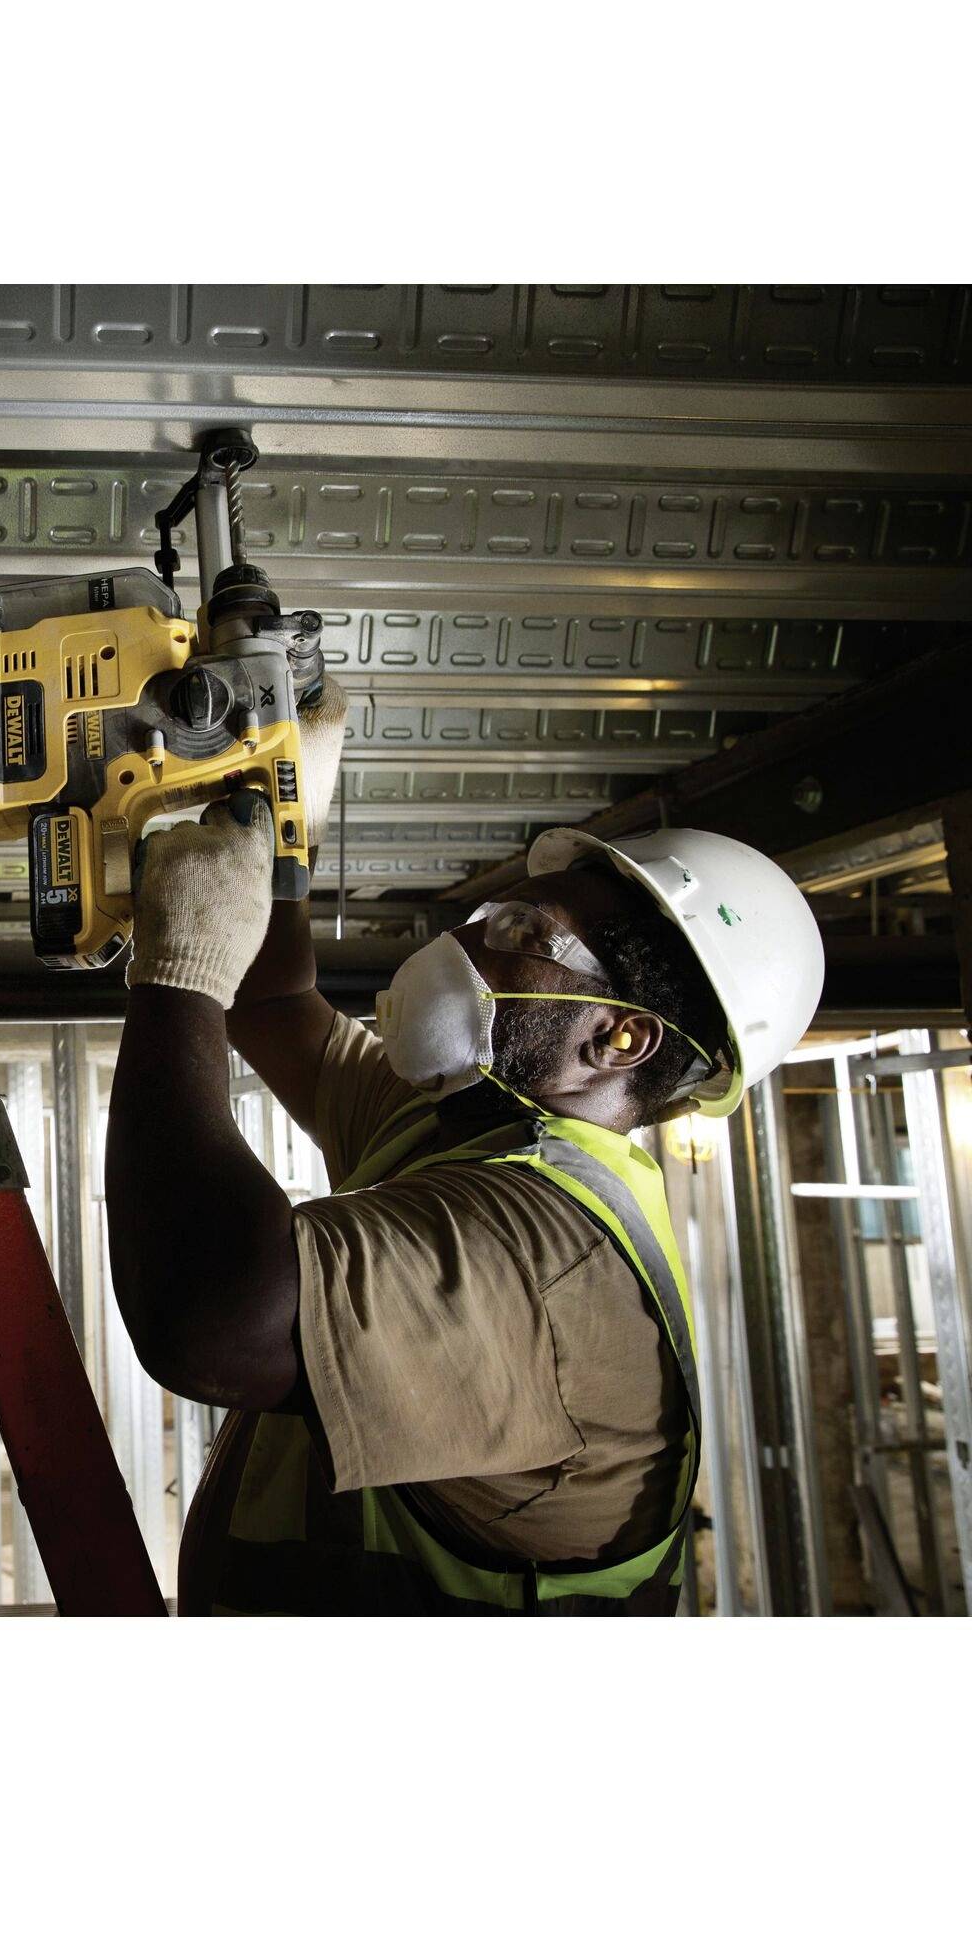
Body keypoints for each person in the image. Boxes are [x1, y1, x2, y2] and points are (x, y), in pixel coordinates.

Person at [104, 684, 825, 1615]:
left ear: (618, 1040)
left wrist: (176, 978)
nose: (469, 935)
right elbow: (276, 1006)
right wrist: (282, 815)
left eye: (526, 935)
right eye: (499, 913)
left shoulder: (551, 1254)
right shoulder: (466, 1122)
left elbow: (207, 1322)